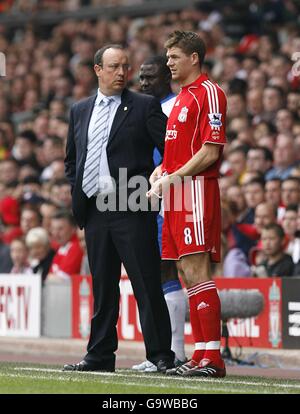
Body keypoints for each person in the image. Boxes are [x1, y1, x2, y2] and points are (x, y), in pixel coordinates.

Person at [64, 44, 174, 373]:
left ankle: (160, 355)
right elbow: (73, 158)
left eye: (125, 67)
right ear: (97, 70)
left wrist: (156, 180)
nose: (122, 73)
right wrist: (77, 188)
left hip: (131, 204)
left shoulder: (144, 105)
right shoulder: (79, 110)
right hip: (95, 208)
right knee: (103, 286)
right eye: (113, 67)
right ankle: (99, 355)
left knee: (146, 283)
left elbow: (170, 148)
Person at [147, 31, 227, 378]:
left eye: (174, 57)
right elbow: (177, 152)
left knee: (197, 271)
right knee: (186, 273)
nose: (169, 63)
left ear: (194, 58)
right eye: (167, 58)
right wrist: (159, 171)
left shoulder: (209, 93)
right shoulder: (181, 98)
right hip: (177, 190)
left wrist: (174, 176)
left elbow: (210, 151)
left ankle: (214, 357)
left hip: (194, 191)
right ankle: (201, 353)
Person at [132, 56, 187, 372]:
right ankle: (165, 352)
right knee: (156, 273)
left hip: (171, 198)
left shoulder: (176, 105)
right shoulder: (144, 107)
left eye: (150, 77)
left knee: (167, 270)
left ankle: (174, 353)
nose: (144, 83)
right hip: (148, 198)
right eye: (141, 77)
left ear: (167, 76)